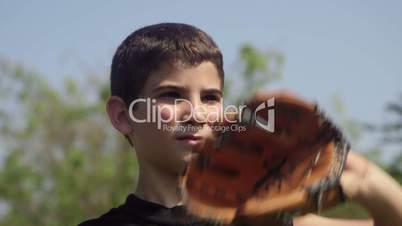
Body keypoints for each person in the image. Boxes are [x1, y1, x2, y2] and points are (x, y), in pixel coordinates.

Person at [77, 23, 402, 226]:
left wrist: (361, 177)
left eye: (210, 98)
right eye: (172, 95)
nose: (197, 113)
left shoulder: (262, 217)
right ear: (123, 115)